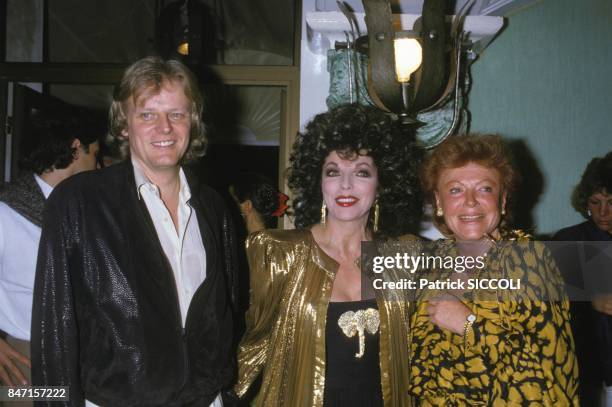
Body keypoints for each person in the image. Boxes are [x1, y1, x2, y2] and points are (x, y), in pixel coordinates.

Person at [31, 56, 238, 406]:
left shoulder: (213, 207)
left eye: (177, 114)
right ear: (123, 124)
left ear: (193, 122)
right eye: (147, 115)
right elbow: (53, 330)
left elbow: (228, 310)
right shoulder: (78, 202)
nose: (165, 128)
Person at [234, 103, 423, 406]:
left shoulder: (406, 257)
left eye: (361, 172)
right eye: (333, 171)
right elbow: (255, 346)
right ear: (318, 181)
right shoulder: (279, 253)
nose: (345, 184)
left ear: (382, 184)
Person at [410, 133, 579, 405]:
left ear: (502, 200)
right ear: (439, 203)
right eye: (455, 190)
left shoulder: (529, 262)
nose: (470, 201)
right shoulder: (432, 264)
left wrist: (469, 326)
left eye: (484, 189)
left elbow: (548, 374)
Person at [0, 107, 101, 397]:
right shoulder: (6, 210)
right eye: (94, 154)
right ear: (76, 148)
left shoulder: (81, 209)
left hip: (82, 355)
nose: (98, 166)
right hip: (26, 359)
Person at [554, 151, 612, 406]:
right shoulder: (568, 240)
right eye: (595, 202)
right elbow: (551, 298)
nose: (603, 211)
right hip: (586, 360)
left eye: (611, 202)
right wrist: (590, 300)